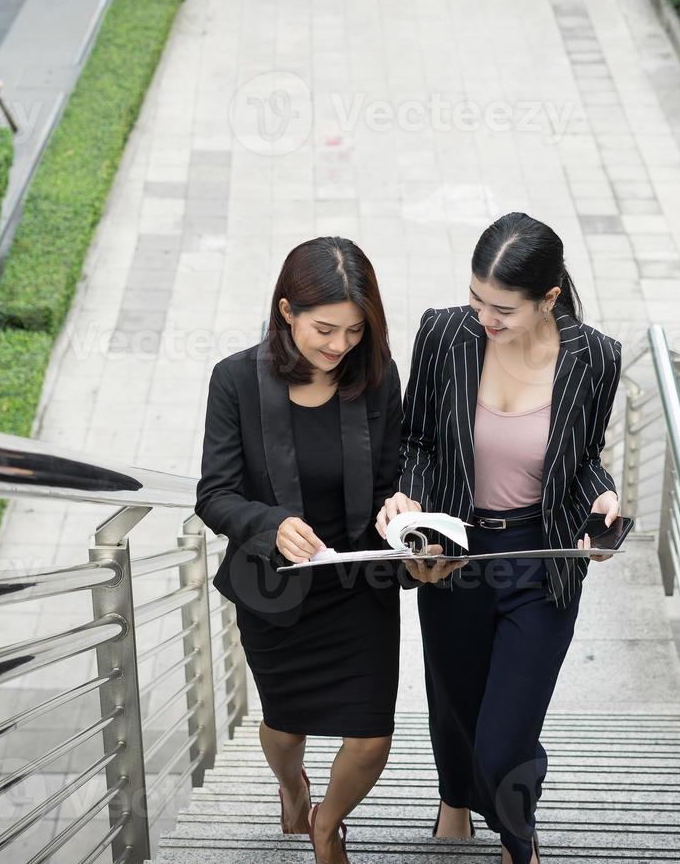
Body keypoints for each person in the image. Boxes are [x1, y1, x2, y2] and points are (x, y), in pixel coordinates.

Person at [377, 212, 624, 864]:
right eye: (475, 299)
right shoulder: (442, 333)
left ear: (548, 298)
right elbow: (417, 440)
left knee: (504, 737)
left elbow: (583, 456)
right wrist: (408, 498)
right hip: (453, 554)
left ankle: (518, 836)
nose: (484, 318)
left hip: (538, 563)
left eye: (503, 309)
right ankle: (452, 799)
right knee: (454, 700)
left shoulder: (594, 357)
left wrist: (599, 495)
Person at [196, 236, 420, 864]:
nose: (339, 346)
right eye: (325, 328)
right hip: (275, 589)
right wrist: (270, 526)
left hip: (356, 582)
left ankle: (329, 821)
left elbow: (390, 478)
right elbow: (214, 495)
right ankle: (292, 787)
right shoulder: (236, 380)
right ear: (286, 310)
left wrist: (399, 507)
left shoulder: (376, 378)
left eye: (354, 331)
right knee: (284, 725)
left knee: (372, 738)